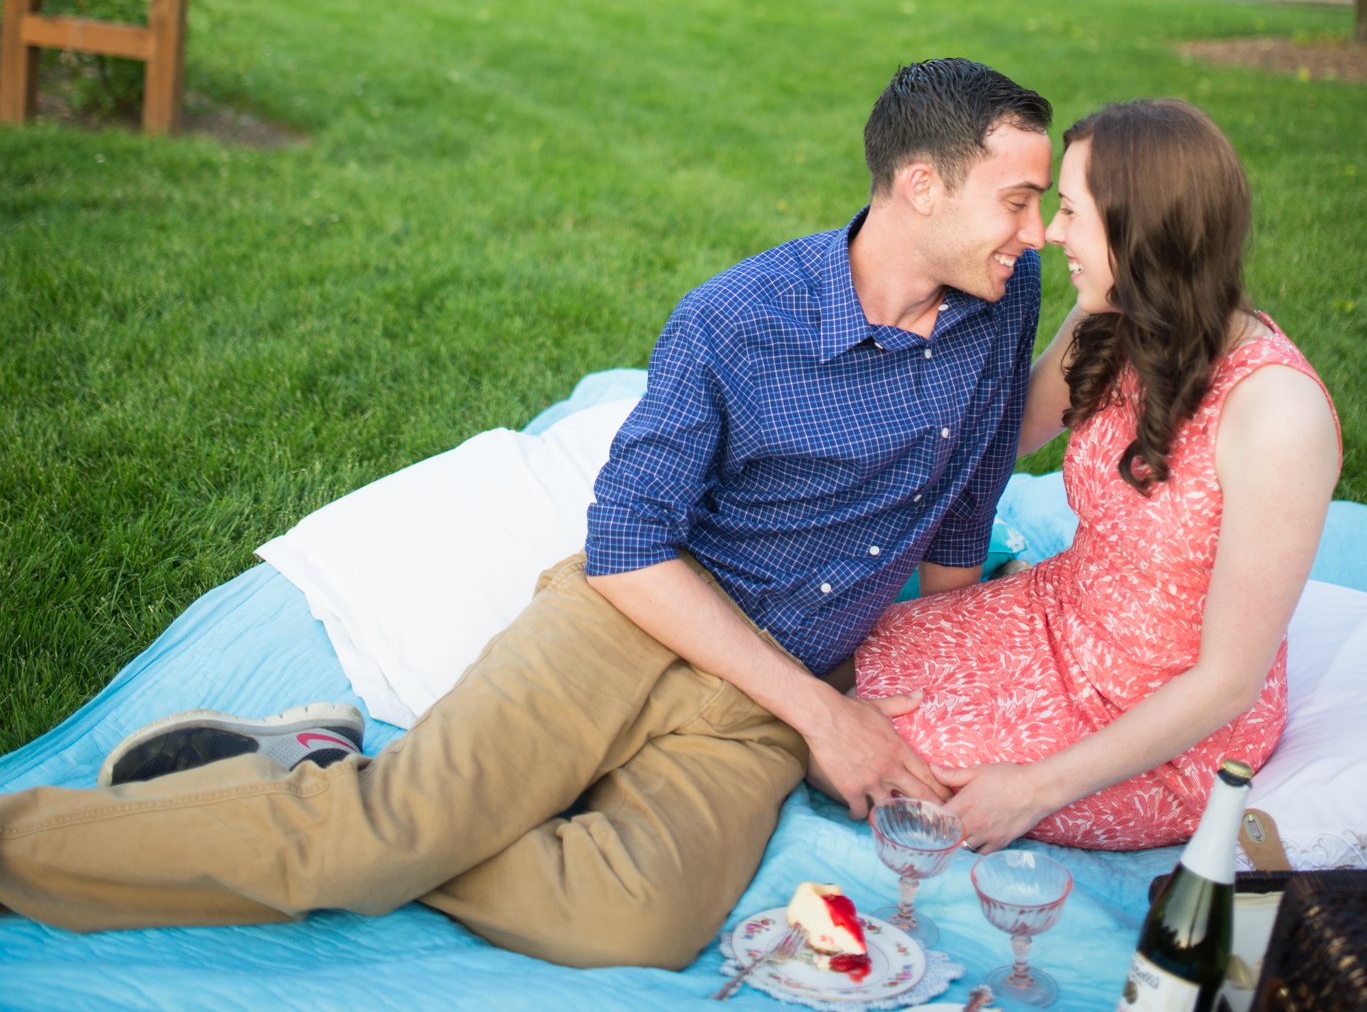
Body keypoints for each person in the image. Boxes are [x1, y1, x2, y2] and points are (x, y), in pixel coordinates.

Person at [0, 58, 1054, 966]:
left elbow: (965, 499)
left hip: (757, 704)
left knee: (633, 922)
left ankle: (338, 790)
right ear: (920, 184)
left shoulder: (1002, 297)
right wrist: (826, 714)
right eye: (1016, 197)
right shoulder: (734, 318)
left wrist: (910, 678)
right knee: (371, 839)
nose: (1036, 228)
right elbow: (627, 546)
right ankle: (29, 842)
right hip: (633, 621)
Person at [856, 97, 1341, 853]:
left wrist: (1032, 789)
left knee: (894, 765)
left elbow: (1226, 682)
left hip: (1170, 725)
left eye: (1070, 213)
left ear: (1137, 229)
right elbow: (1006, 432)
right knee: (845, 669)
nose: (1048, 233)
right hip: (1059, 618)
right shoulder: (1111, 317)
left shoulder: (1275, 413)